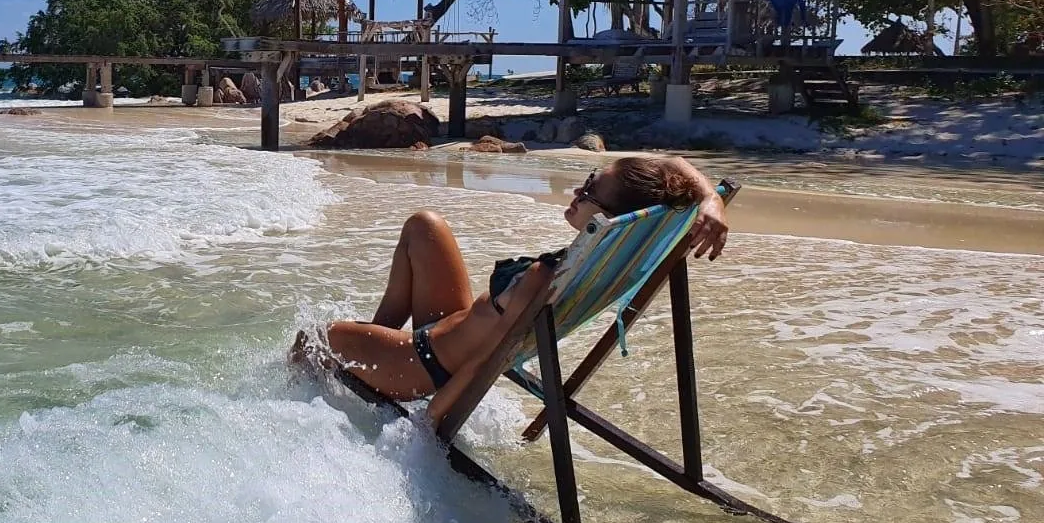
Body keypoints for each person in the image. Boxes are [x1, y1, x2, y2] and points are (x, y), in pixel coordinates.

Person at [290, 155, 730, 401]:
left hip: (421, 366)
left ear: (610, 218)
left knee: (310, 339)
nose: (577, 192)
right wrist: (711, 199)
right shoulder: (596, 259)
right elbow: (674, 163)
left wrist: (432, 426)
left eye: (589, 192)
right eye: (587, 181)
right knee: (424, 225)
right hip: (445, 334)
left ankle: (323, 390)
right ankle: (370, 350)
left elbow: (484, 362)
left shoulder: (544, 278)